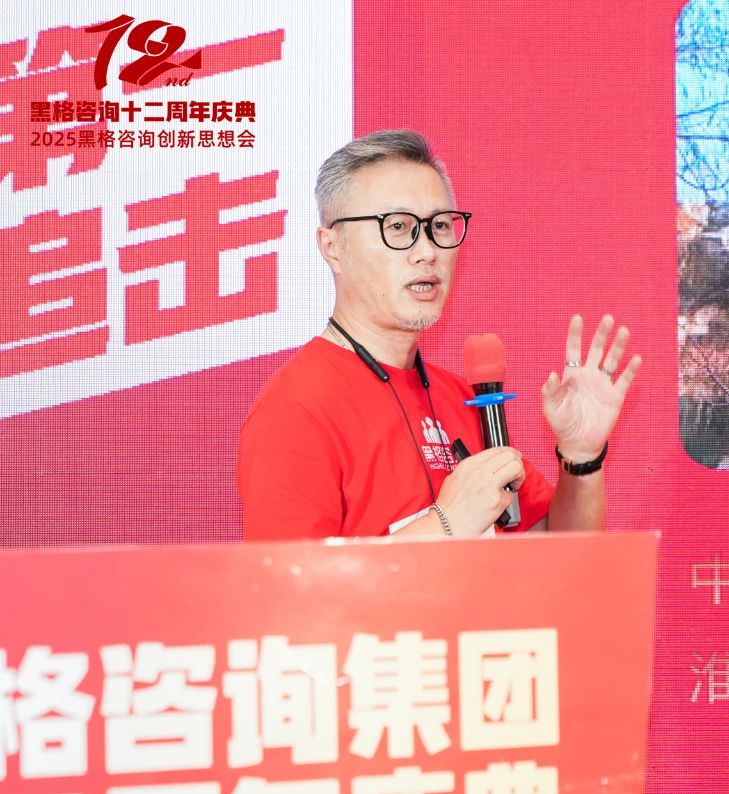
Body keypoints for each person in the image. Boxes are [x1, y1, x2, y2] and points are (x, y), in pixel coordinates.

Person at [236, 130, 640, 540]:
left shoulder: (464, 399)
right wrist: (448, 523)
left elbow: (559, 553)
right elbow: (290, 578)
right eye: (398, 226)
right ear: (332, 246)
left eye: (440, 226)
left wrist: (582, 458)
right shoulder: (296, 408)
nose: (427, 250)